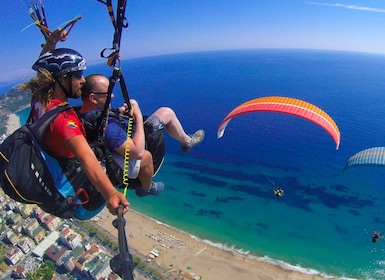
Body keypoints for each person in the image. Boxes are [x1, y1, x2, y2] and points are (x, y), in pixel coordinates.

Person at [21, 48, 129, 216]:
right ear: (62, 79)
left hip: (53, 180)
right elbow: (86, 156)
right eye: (78, 75)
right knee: (130, 155)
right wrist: (111, 194)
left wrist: (51, 42)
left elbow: (44, 72)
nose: (83, 81)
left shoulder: (39, 100)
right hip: (82, 201)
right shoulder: (63, 121)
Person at [78, 74, 205, 196]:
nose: (112, 95)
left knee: (166, 112)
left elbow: (102, 121)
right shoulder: (109, 127)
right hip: (129, 167)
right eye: (107, 93)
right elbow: (137, 153)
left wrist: (117, 112)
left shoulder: (83, 114)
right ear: (93, 98)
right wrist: (138, 115)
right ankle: (147, 187)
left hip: (113, 152)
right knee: (146, 155)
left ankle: (187, 141)